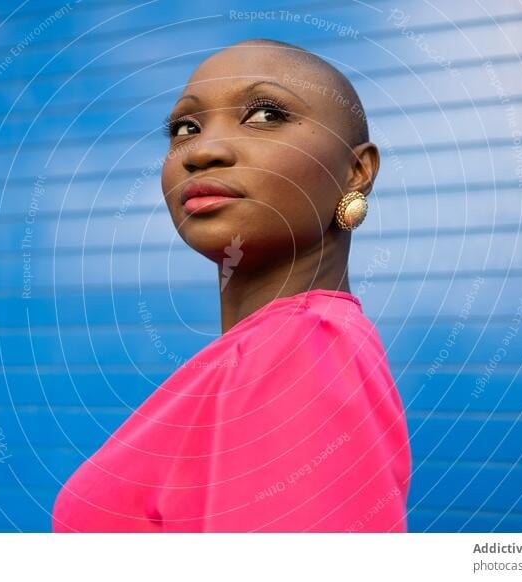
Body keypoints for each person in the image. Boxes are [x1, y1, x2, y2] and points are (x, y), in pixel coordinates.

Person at [51, 38, 411, 532]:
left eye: (265, 115)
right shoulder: (253, 356)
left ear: (357, 170)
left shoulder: (303, 347)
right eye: (185, 128)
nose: (202, 151)